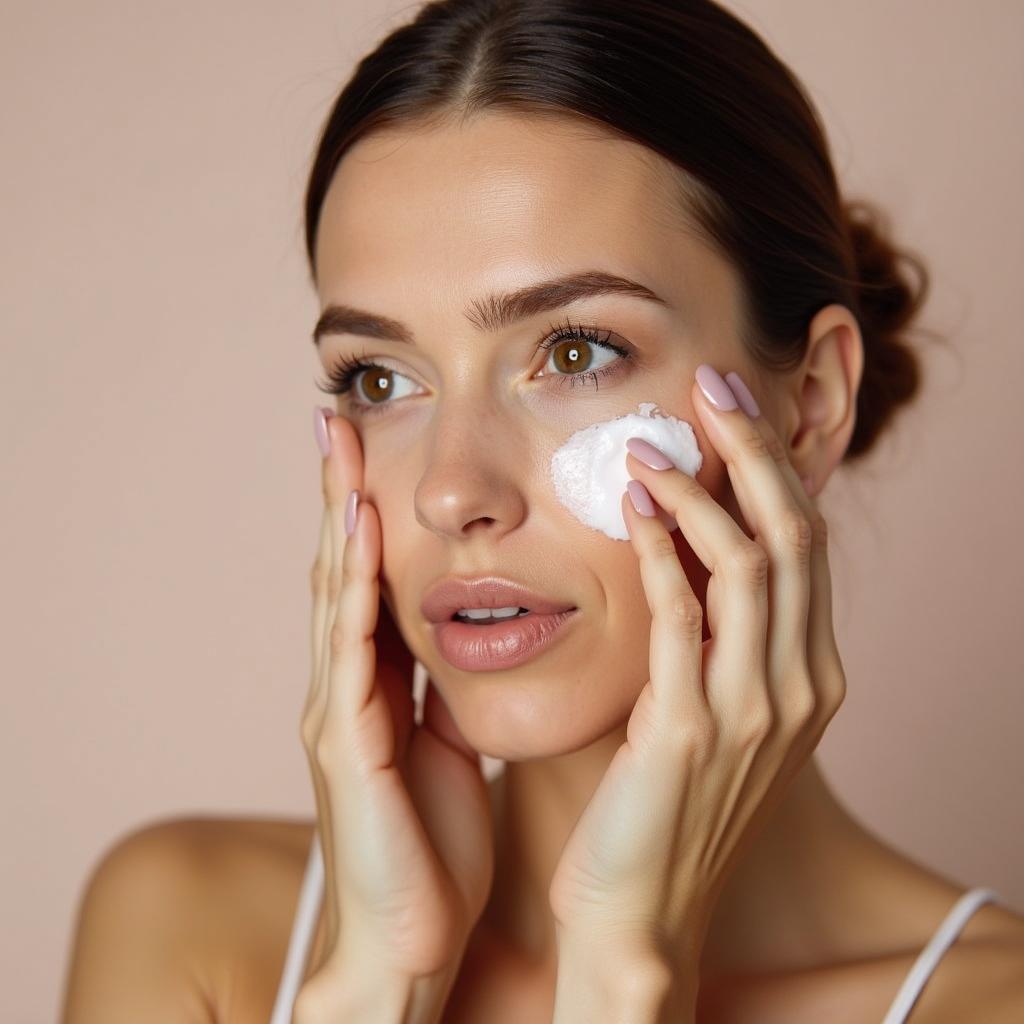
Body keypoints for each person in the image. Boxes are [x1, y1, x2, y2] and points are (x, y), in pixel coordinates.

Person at [60, 1, 1024, 1021]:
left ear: (811, 405)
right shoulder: (189, 930)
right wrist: (378, 982)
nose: (451, 492)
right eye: (380, 379)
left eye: (573, 353)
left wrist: (623, 975)